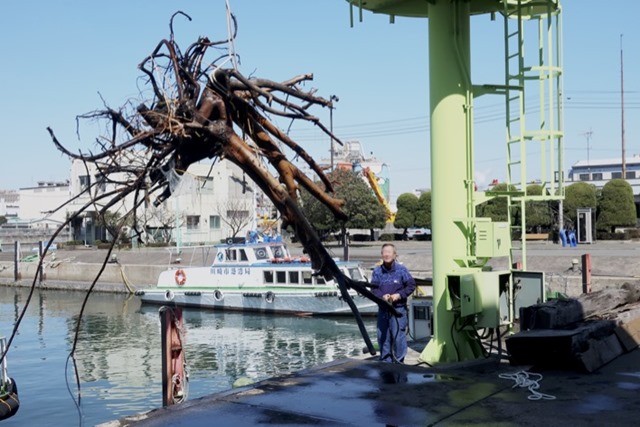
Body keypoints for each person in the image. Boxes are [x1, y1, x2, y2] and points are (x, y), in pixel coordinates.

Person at [370, 243, 416, 363]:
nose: (386, 255)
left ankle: (399, 362)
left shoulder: (402, 270)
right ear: (381, 255)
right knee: (383, 337)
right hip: (383, 310)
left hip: (398, 310)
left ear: (394, 255)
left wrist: (399, 295)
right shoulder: (377, 271)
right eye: (384, 252)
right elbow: (373, 289)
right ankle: (386, 362)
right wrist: (381, 296)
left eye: (389, 252)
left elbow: (411, 285)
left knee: (398, 337)